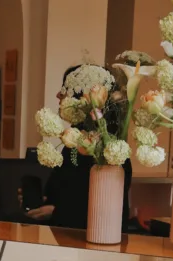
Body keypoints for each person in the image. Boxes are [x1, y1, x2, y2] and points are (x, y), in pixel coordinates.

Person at [26, 66, 132, 230]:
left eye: (64, 89)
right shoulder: (73, 142)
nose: (58, 95)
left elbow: (98, 208)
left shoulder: (109, 149)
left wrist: (55, 211)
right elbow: (61, 191)